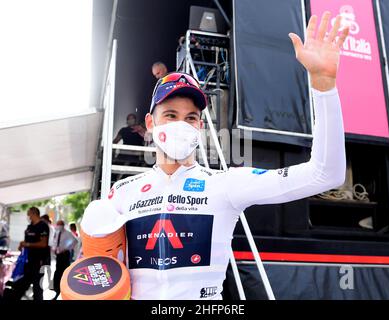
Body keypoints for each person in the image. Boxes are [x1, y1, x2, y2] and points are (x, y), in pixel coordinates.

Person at [80, 12, 349, 299]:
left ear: (200, 126)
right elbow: (102, 272)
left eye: (191, 117)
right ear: (150, 123)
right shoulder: (121, 193)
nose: (181, 124)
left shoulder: (225, 184)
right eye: (170, 115)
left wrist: (323, 86)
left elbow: (326, 174)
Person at [14, 207, 49, 300]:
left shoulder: (43, 226)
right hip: (28, 260)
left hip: (39, 261)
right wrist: (22, 245)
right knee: (22, 284)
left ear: (34, 214)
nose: (28, 217)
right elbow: (26, 241)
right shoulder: (30, 227)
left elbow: (43, 243)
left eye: (29, 214)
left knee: (37, 287)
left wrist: (28, 244)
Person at [52, 220, 77, 300]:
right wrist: (54, 249)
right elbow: (55, 242)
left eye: (60, 225)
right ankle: (56, 287)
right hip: (58, 254)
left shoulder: (68, 233)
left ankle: (63, 287)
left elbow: (75, 241)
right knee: (57, 270)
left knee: (64, 270)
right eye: (57, 224)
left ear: (63, 225)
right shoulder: (57, 232)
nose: (58, 226)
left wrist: (66, 248)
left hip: (65, 254)